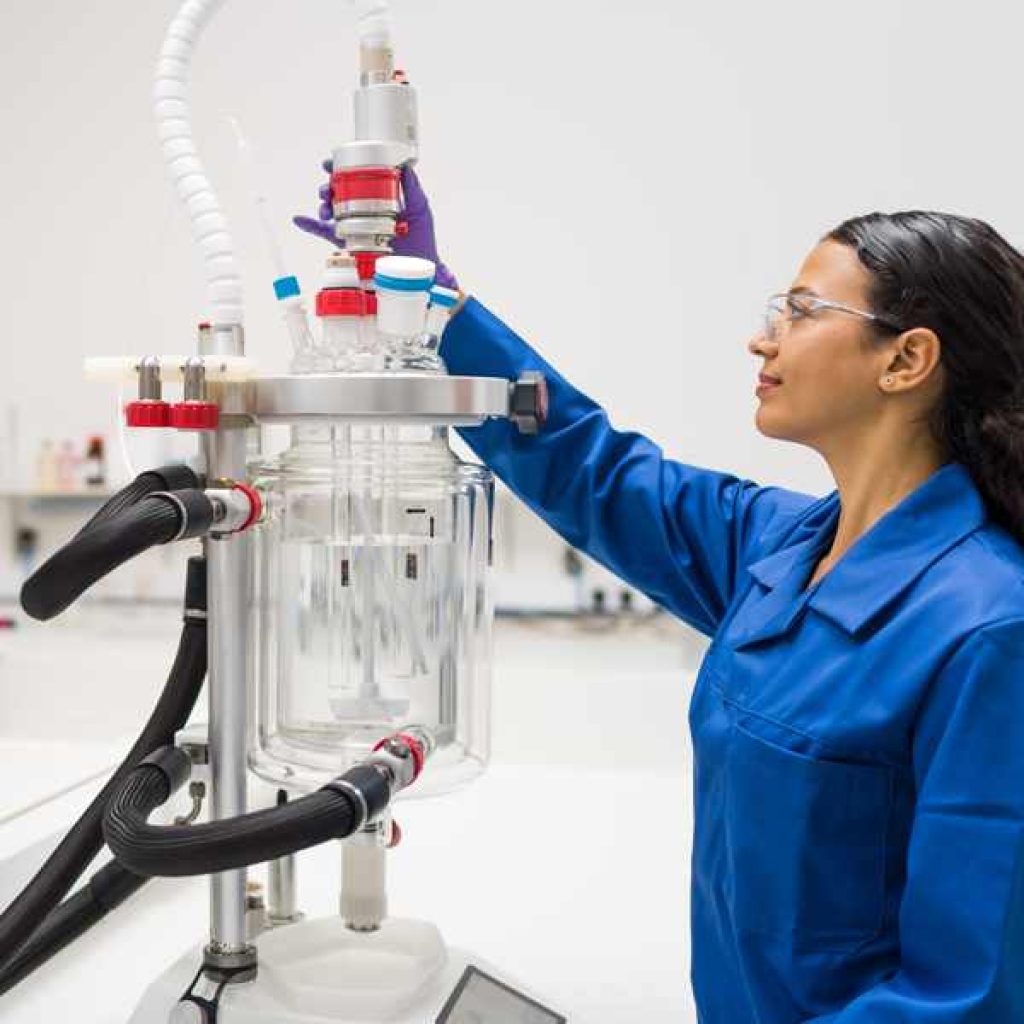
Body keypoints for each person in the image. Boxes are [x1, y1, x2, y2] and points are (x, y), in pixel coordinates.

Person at [297, 172, 1024, 1022]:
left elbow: (963, 998)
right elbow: (591, 466)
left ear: (907, 360)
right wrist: (441, 308)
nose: (764, 341)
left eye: (800, 311)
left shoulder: (987, 631)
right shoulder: (781, 551)